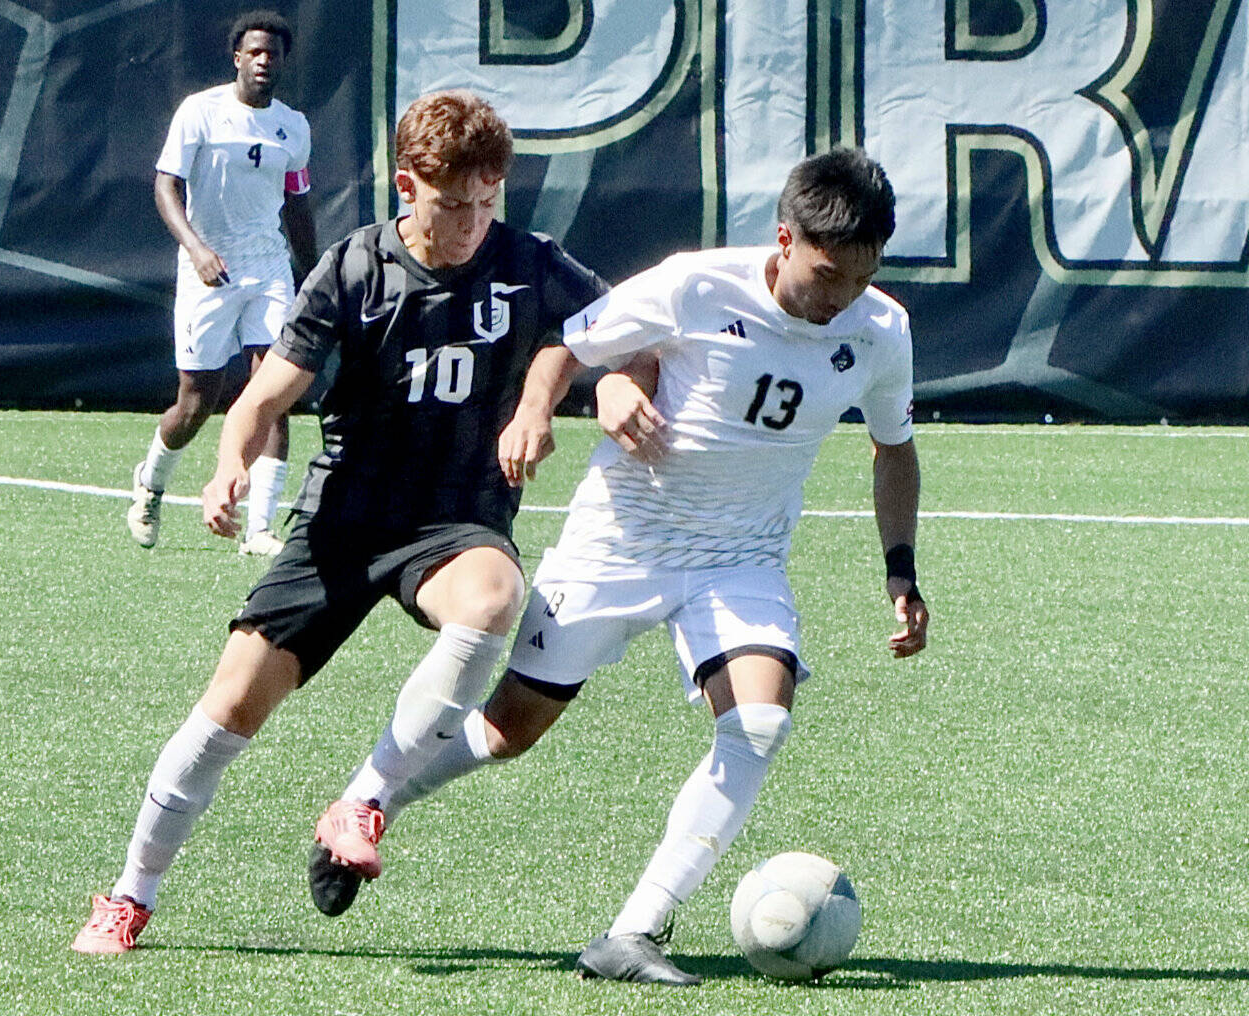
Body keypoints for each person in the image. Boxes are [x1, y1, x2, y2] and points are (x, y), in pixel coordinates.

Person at [304, 148, 929, 986]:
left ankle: (633, 932)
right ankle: (369, 802)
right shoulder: (697, 284)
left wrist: (901, 571)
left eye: (861, 276)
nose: (841, 296)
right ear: (785, 240)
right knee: (509, 729)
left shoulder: (882, 330)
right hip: (621, 540)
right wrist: (559, 404)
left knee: (760, 721)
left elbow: (894, 449)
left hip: (740, 559)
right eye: (827, 274)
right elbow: (568, 346)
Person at [72, 88, 606, 954]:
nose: (472, 223)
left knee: (493, 596)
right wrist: (229, 463)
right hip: (345, 519)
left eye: (486, 202)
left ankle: (364, 800)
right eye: (452, 204)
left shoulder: (529, 261)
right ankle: (131, 895)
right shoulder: (356, 267)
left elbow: (607, 329)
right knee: (229, 709)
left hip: (457, 518)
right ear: (406, 186)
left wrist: (543, 398)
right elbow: (264, 398)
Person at [127, 9, 317, 556]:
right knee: (196, 404)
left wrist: (312, 272)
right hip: (208, 271)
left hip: (268, 269)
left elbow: (297, 202)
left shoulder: (293, 126)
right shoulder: (200, 112)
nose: (263, 61)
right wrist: (196, 249)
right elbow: (166, 187)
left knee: (272, 391)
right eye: (254, 52)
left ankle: (259, 529)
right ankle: (150, 484)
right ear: (237, 58)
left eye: (272, 54)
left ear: (282, 62)